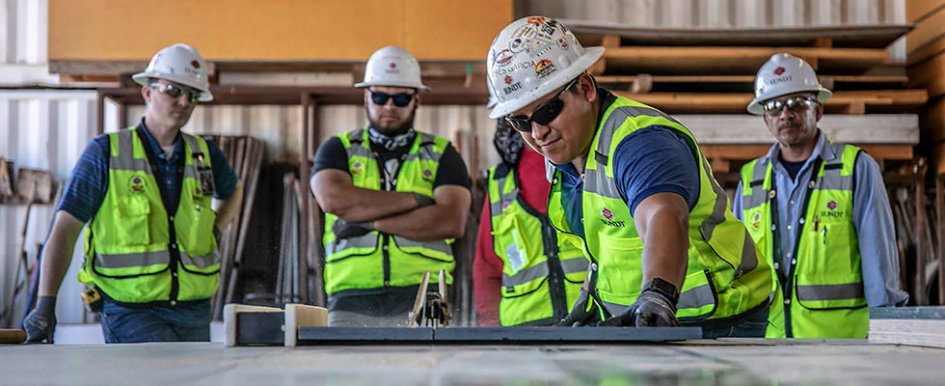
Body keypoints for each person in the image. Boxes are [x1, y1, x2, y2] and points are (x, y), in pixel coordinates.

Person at [486, 16, 774, 337]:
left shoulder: (640, 141)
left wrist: (658, 293)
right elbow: (606, 245)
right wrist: (588, 298)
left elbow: (663, 215)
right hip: (645, 320)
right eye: (521, 123)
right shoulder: (566, 154)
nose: (538, 133)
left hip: (719, 317)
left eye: (547, 111)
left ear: (585, 88)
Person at [22, 43, 243, 343]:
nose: (183, 102)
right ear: (147, 92)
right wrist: (45, 305)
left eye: (192, 95)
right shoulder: (106, 153)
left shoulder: (204, 154)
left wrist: (216, 228)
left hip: (194, 308)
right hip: (130, 309)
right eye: (172, 90)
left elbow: (232, 192)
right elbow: (65, 229)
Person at [734, 53, 908, 338]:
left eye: (797, 103)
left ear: (819, 110)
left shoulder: (855, 168)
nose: (785, 114)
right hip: (769, 346)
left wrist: (886, 332)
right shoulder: (750, 180)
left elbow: (879, 259)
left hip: (841, 346)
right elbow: (739, 269)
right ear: (765, 118)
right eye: (775, 106)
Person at [310, 46, 471, 327]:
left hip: (426, 296)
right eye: (380, 96)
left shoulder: (443, 153)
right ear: (366, 96)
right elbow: (336, 201)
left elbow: (451, 221)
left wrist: (371, 223)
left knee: (426, 372)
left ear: (417, 100)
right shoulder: (338, 149)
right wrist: (417, 199)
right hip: (350, 297)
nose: (389, 106)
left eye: (400, 98)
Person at [473, 89, 589, 327]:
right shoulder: (499, 183)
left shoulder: (586, 166)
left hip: (591, 319)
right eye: (518, 118)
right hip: (522, 330)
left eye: (544, 111)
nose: (537, 128)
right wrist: (491, 328)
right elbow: (487, 265)